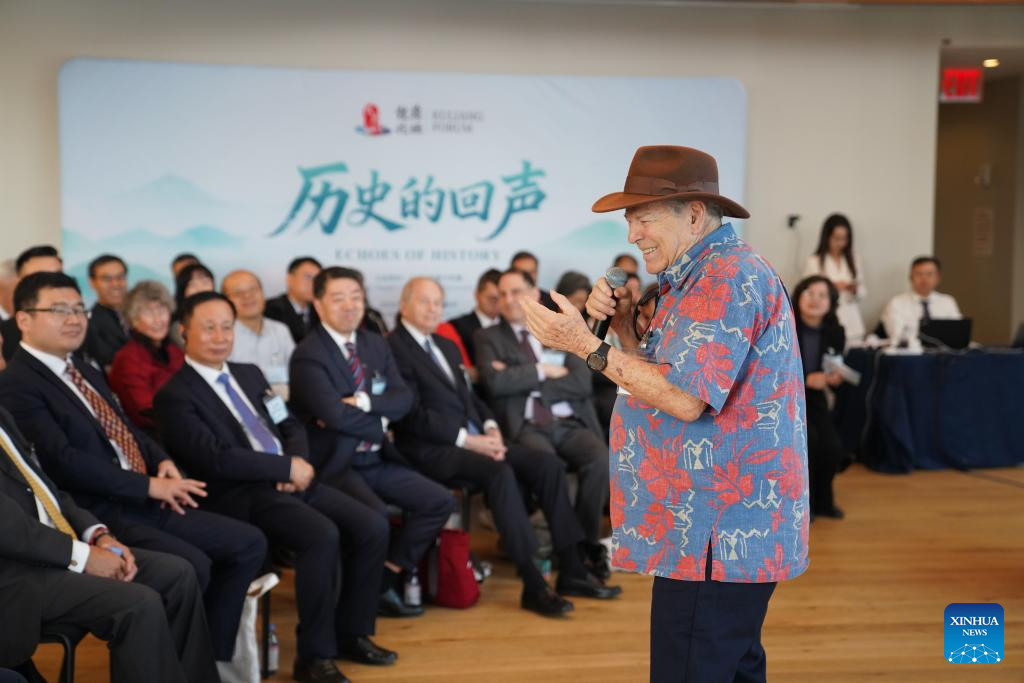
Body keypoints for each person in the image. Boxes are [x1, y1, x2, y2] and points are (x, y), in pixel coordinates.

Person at [521, 145, 809, 683]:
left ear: (694, 214)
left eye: (644, 218)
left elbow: (684, 397)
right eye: (630, 220)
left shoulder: (725, 278)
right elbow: (673, 376)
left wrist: (584, 343)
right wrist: (624, 330)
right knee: (733, 666)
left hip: (715, 531)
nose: (633, 234)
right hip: (707, 527)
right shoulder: (699, 275)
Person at [0, 272, 267, 669]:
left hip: (125, 501)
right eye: (59, 310)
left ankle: (213, 661)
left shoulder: (82, 369)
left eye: (78, 309)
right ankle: (185, 665)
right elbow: (63, 463)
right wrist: (146, 488)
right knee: (187, 567)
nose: (74, 318)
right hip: (104, 504)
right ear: (23, 319)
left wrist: (161, 461)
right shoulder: (17, 383)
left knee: (246, 542)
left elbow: (125, 429)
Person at [154, 291, 397, 682]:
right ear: (184, 331)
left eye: (227, 327)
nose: (220, 336)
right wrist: (283, 467)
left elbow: (288, 423)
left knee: (372, 525)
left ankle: (352, 633)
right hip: (240, 492)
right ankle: (314, 657)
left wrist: (295, 462)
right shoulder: (175, 395)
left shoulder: (249, 373)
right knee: (321, 534)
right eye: (209, 327)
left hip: (289, 477)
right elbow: (215, 458)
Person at [390, 277, 621, 615]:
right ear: (403, 305)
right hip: (432, 447)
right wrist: (470, 440)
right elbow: (410, 414)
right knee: (499, 473)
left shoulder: (444, 345)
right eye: (424, 301)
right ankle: (533, 582)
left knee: (546, 466)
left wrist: (490, 428)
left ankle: (572, 567)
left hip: (476, 439)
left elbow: (470, 400)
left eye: (437, 302)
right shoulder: (393, 347)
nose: (433, 309)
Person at [0, 405, 218, 683]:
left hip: (57, 549)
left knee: (177, 574)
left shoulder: (3, 414)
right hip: (17, 572)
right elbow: (7, 527)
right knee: (138, 604)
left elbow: (46, 490)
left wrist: (97, 534)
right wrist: (83, 556)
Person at [289, 266, 454, 618]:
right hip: (337, 465)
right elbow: (334, 415)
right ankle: (357, 607)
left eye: (356, 297)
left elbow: (403, 399)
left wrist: (364, 404)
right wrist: (380, 422)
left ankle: (384, 579)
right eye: (338, 298)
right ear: (319, 305)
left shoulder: (375, 342)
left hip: (377, 459)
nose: (349, 306)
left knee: (439, 500)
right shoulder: (309, 354)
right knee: (374, 517)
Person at [475, 269, 611, 578]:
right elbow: (495, 384)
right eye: (502, 294)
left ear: (534, 294)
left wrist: (523, 380)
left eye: (515, 292)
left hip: (569, 422)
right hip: (527, 426)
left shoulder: (559, 329)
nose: (508, 300)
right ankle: (566, 550)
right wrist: (542, 370)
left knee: (600, 459)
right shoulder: (488, 338)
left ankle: (584, 545)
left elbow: (581, 383)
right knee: (549, 467)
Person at [792, 276, 846, 519]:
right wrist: (805, 379)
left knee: (833, 446)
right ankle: (806, 505)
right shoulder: (785, 325)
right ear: (798, 296)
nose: (815, 299)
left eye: (822, 295)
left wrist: (834, 378)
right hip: (787, 395)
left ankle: (825, 502)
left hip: (815, 398)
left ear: (831, 303)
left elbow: (835, 365)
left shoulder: (836, 332)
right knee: (810, 441)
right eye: (809, 293)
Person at [109, 281, 184, 433]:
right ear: (133, 320)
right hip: (155, 434)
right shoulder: (128, 358)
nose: (158, 319)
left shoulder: (175, 350)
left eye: (161, 310)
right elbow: (144, 410)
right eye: (149, 313)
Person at [222, 270, 295, 398]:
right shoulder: (224, 336)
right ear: (225, 301)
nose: (247, 296)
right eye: (237, 293)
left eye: (253, 289)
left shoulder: (280, 330)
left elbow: (297, 372)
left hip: (283, 403)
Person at [803, 213, 866, 345]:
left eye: (844, 238)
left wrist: (854, 289)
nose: (840, 243)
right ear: (827, 237)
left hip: (852, 322)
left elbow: (862, 292)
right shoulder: (814, 261)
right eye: (836, 238)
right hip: (826, 321)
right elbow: (806, 293)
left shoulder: (854, 259)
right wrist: (831, 288)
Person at [1, 246, 63, 363]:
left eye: (58, 276)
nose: (52, 285)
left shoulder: (80, 327)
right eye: (39, 279)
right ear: (19, 283)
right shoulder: (4, 337)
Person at [881, 256, 962, 343]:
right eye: (919, 274)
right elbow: (896, 335)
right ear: (911, 277)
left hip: (944, 350)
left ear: (938, 278)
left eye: (929, 274)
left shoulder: (947, 301)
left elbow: (957, 332)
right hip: (911, 350)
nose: (924, 279)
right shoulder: (896, 302)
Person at [84, 254, 130, 370]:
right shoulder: (90, 326)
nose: (115, 284)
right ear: (92, 282)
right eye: (107, 279)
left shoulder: (141, 316)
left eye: (120, 277)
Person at [448, 268, 502, 366]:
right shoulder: (457, 327)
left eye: (502, 298)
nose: (497, 303)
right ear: (477, 295)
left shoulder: (512, 326)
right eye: (492, 298)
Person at [265, 257, 322, 343]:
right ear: (289, 279)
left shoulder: (321, 311)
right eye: (308, 277)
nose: (314, 284)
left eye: (317, 279)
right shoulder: (269, 310)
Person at [171, 263, 216, 347]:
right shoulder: (178, 324)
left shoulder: (223, 313)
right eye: (192, 284)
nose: (200, 289)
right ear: (183, 291)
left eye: (205, 282)